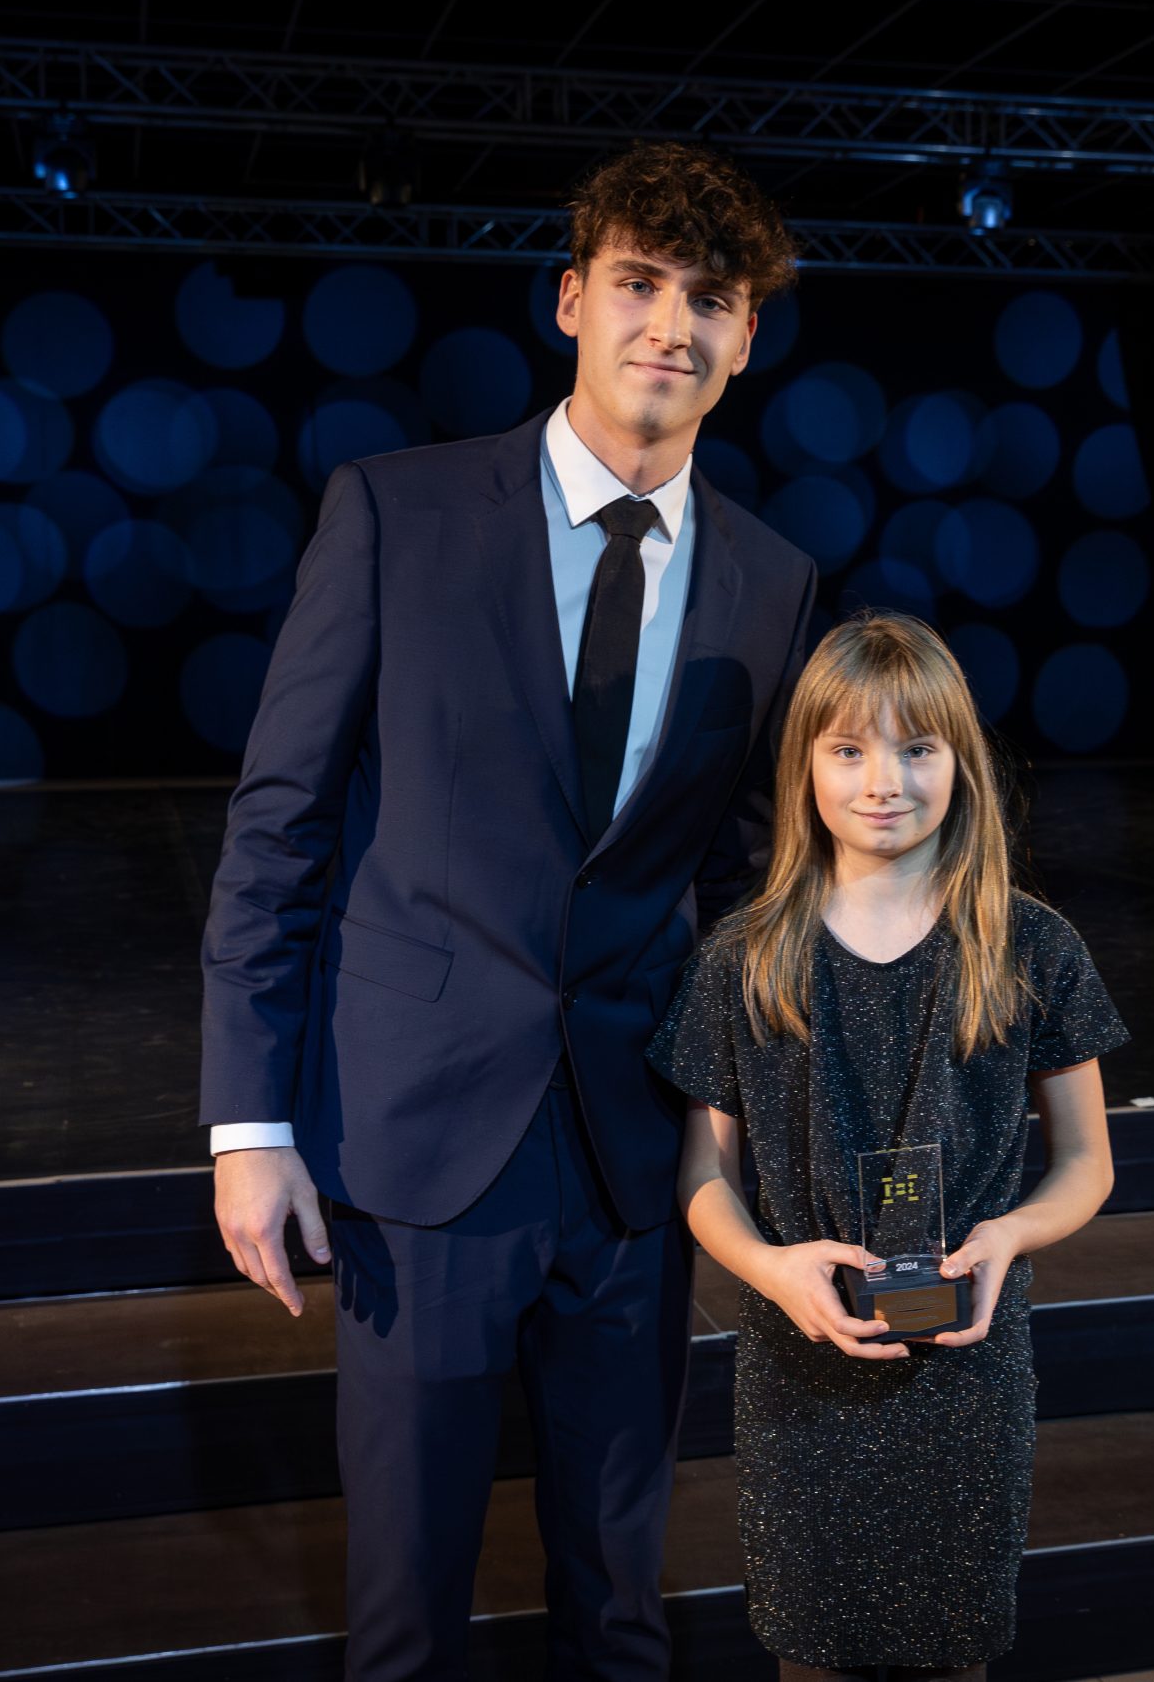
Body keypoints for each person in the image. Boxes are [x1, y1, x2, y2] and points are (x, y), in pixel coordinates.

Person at [198, 140, 817, 1681]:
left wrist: (775, 1118)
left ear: (746, 338)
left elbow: (739, 882)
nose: (670, 324)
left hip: (634, 1153)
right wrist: (248, 1125)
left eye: (710, 299)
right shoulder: (395, 512)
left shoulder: (772, 578)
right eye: (639, 283)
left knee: (620, 1597)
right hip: (417, 1143)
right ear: (571, 300)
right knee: (408, 1603)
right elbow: (278, 827)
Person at [650, 612, 1127, 1682]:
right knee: (813, 1654)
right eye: (848, 749)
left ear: (960, 760)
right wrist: (770, 1267)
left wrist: (1008, 1236)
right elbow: (703, 1176)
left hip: (967, 1370)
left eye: (917, 748)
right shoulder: (744, 956)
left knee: (952, 1651)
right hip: (801, 1363)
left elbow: (1087, 1161)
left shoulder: (1031, 943)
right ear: (805, 765)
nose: (884, 782)